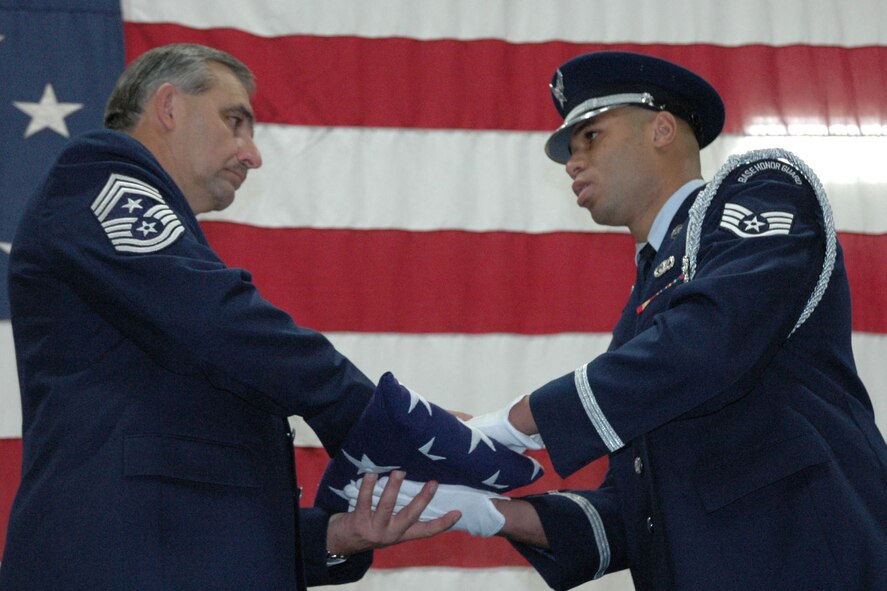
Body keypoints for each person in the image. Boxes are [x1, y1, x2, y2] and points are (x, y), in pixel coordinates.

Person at [398, 51, 887, 590]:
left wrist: (512, 425)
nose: (572, 162)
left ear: (661, 129)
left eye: (591, 137)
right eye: (569, 149)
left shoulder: (761, 188)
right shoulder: (645, 307)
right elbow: (636, 510)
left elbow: (709, 343)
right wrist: (484, 512)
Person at [0, 43, 459, 590]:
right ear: (168, 106)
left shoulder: (159, 254)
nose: (252, 154)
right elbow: (219, 323)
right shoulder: (99, 175)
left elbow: (198, 471)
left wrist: (334, 536)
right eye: (234, 121)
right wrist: (377, 418)